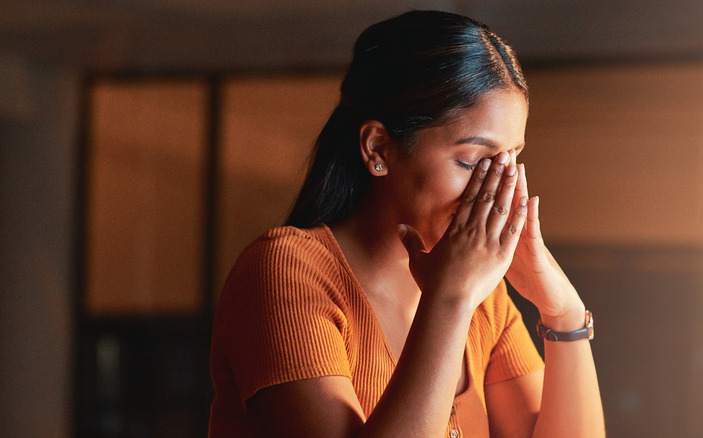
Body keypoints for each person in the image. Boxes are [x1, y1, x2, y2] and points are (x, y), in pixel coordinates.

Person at [208, 10, 604, 438]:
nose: (498, 187)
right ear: (378, 147)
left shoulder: (485, 299)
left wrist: (562, 312)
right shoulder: (284, 273)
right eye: (472, 161)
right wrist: (450, 297)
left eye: (510, 161)